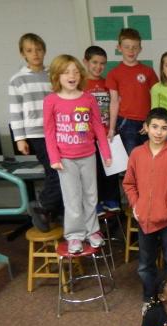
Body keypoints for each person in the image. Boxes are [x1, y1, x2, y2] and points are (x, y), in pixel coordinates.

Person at [43, 55, 111, 253]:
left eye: (74, 71)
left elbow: (98, 126)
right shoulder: (51, 100)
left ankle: (92, 231)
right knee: (72, 198)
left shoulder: (88, 97)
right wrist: (54, 158)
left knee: (91, 196)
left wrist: (105, 153)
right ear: (57, 76)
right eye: (65, 72)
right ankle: (74, 235)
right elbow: (48, 131)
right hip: (65, 159)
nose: (71, 76)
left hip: (88, 154)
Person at [122, 108, 167, 311]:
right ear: (146, 128)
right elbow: (129, 184)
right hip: (145, 221)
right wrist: (136, 205)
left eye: (164, 128)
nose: (159, 132)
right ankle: (149, 299)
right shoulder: (137, 154)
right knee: (145, 265)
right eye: (155, 127)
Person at [8, 33, 62, 231]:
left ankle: (55, 212)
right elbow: (15, 111)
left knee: (57, 171)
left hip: (58, 131)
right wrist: (20, 138)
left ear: (44, 50)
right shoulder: (17, 79)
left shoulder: (53, 75)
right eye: (30, 50)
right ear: (23, 53)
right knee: (56, 172)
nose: (35, 54)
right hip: (36, 133)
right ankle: (42, 206)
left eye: (38, 49)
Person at [106, 28, 159, 155]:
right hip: (126, 122)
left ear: (140, 49)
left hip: (148, 121)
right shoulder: (114, 73)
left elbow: (158, 97)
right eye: (127, 47)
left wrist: (152, 120)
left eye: (135, 47)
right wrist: (112, 129)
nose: (131, 50)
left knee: (150, 157)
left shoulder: (148, 71)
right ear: (119, 48)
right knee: (133, 158)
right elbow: (114, 102)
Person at [83, 45, 121, 215]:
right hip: (89, 136)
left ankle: (111, 198)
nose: (98, 67)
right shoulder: (81, 84)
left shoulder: (108, 82)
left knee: (110, 167)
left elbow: (115, 104)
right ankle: (96, 201)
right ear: (85, 62)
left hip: (108, 133)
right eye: (94, 62)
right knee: (94, 171)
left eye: (103, 63)